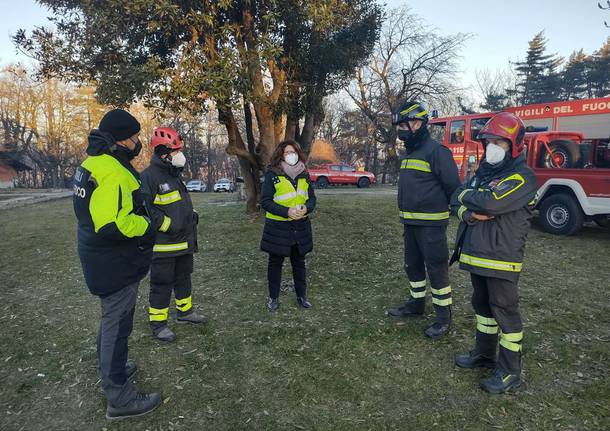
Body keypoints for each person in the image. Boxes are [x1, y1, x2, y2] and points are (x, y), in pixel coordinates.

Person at [72, 109, 161, 420]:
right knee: (117, 323)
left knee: (113, 317)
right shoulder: (112, 171)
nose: (138, 142)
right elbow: (112, 224)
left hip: (99, 256)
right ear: (122, 139)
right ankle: (119, 397)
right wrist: (148, 224)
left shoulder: (91, 163)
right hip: (113, 262)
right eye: (135, 137)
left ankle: (111, 366)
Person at [449, 111, 537, 394]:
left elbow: (493, 203)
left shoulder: (522, 177)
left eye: (499, 142)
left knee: (505, 313)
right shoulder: (482, 173)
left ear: (514, 146)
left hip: (501, 259)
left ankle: (511, 371)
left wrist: (473, 200)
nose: (491, 149)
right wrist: (469, 214)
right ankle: (485, 354)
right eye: (488, 142)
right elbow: (456, 197)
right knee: (483, 308)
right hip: (477, 255)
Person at [386, 101, 461, 339]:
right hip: (410, 224)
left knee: (436, 270)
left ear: (418, 123)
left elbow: (453, 187)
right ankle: (416, 304)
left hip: (431, 226)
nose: (401, 131)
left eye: (404, 125)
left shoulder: (437, 152)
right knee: (413, 266)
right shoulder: (410, 153)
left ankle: (443, 317)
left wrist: (462, 212)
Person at [141, 127, 208, 342]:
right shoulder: (149, 177)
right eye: (176, 151)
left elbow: (176, 205)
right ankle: (158, 324)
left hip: (183, 243)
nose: (180, 155)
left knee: (184, 279)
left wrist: (189, 216)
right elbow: (147, 211)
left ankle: (185, 312)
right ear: (164, 154)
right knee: (161, 284)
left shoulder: (173, 175)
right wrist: (170, 224)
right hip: (163, 247)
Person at [260, 140, 317, 311]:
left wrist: (307, 208)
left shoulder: (304, 174)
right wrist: (287, 212)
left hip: (300, 227)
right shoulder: (272, 175)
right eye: (287, 152)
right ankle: (273, 298)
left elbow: (312, 199)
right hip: (278, 229)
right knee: (275, 264)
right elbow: (265, 202)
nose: (291, 155)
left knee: (299, 263)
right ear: (280, 155)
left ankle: (301, 297)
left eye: (294, 152)